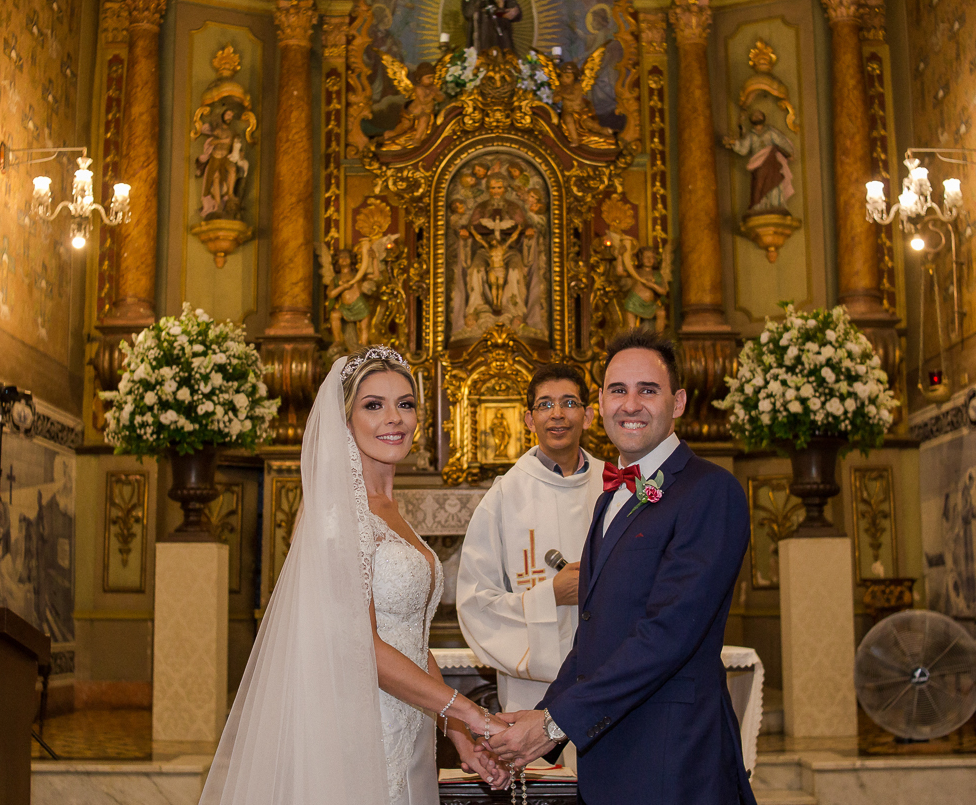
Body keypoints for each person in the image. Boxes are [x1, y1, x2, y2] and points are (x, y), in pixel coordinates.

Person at [199, 347, 510, 805]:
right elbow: (360, 645)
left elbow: (410, 640)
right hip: (358, 731)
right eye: (373, 405)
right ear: (345, 421)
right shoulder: (336, 515)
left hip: (409, 731)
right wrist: (471, 711)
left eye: (405, 404)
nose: (394, 418)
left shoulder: (391, 510)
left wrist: (459, 733)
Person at [485, 330, 756, 805]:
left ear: (678, 402)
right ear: (601, 404)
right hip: (608, 759)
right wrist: (538, 717)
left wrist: (552, 725)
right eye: (617, 390)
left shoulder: (711, 491)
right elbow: (594, 636)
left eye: (647, 390)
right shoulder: (609, 499)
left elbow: (668, 634)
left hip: (675, 759)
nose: (630, 405)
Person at [457, 364, 604, 770]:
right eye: (545, 404)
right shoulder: (504, 496)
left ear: (588, 415)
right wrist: (550, 596)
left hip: (608, 684)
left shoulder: (615, 485)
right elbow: (475, 602)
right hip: (531, 695)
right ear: (528, 419)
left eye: (569, 402)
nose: (557, 414)